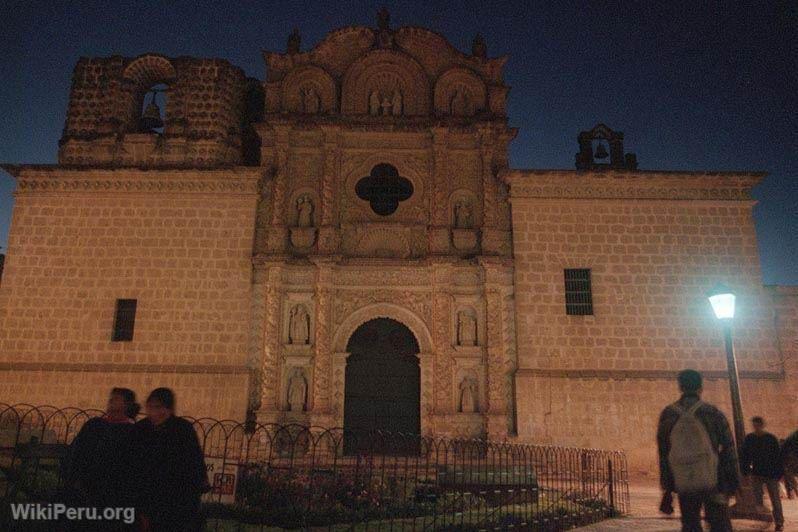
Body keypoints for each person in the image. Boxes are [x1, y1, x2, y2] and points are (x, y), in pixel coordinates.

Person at [657, 369, 738, 532]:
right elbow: (729, 448)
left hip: (684, 482)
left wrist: (667, 488)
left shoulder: (668, 415)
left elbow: (664, 454)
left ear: (680, 387)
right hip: (713, 480)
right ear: (700, 387)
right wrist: (733, 480)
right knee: (720, 524)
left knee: (690, 523)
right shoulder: (712, 413)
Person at [135, 388, 209, 531]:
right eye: (150, 407)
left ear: (168, 409)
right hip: (148, 498)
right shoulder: (141, 429)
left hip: (177, 500)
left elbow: (194, 460)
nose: (152, 412)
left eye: (157, 407)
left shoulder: (182, 430)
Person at [68, 388, 140, 529]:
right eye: (111, 398)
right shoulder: (94, 425)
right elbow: (76, 451)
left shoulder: (133, 432)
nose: (111, 400)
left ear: (126, 405)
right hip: (84, 487)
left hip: (115, 493)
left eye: (116, 398)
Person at [739, 417, 785, 530]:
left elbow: (778, 457)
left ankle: (779, 522)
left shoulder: (769, 438)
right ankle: (771, 519)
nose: (756, 427)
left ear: (761, 425)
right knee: (760, 499)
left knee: (775, 499)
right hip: (759, 473)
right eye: (754, 425)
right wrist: (745, 470)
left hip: (769, 473)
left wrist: (779, 473)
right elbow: (745, 456)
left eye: (757, 425)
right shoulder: (751, 438)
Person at [783, 430, 798, 499]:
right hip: (792, 461)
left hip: (791, 461)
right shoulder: (792, 437)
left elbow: (783, 449)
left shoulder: (791, 436)